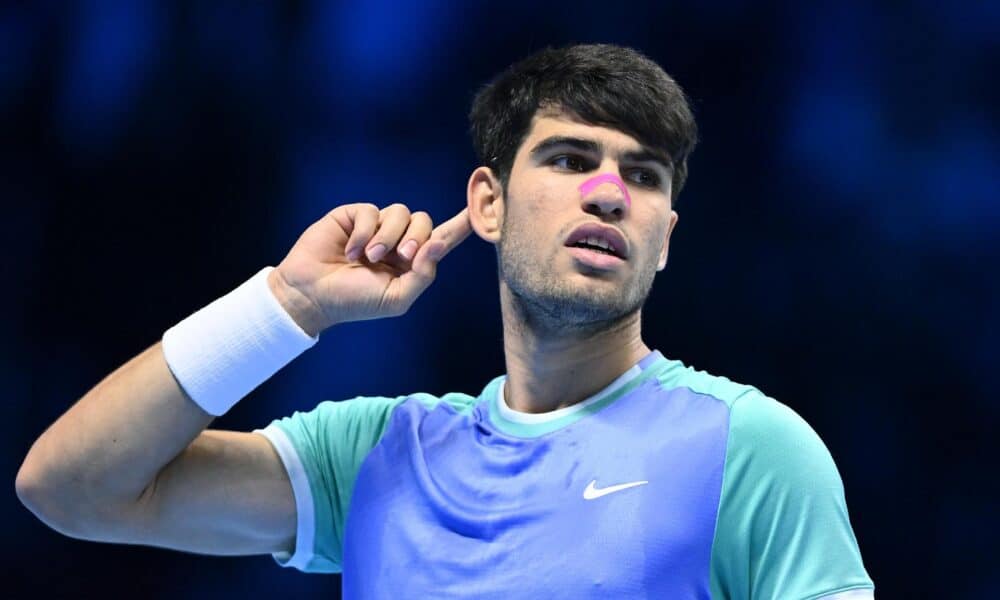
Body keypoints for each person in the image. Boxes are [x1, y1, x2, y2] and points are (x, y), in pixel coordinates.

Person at [16, 44, 874, 599]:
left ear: (664, 240)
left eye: (644, 176)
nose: (610, 192)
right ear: (487, 203)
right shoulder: (378, 456)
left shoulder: (751, 447)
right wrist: (287, 307)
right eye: (571, 159)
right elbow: (72, 488)